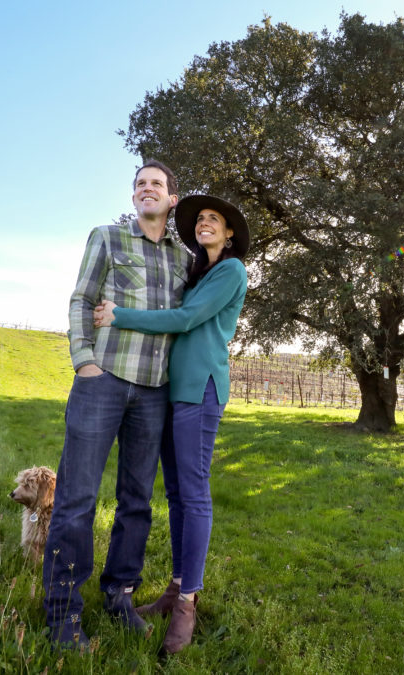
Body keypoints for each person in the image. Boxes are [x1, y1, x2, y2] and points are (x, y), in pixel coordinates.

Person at [43, 159, 193, 647]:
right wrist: (83, 361)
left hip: (153, 390)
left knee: (137, 502)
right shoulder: (107, 237)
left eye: (157, 184)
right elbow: (81, 298)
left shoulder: (183, 258)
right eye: (139, 184)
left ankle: (119, 595)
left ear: (172, 200)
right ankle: (63, 611)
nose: (147, 189)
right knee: (76, 499)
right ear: (134, 198)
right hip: (103, 380)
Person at [93, 194, 249, 653]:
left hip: (200, 390)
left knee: (195, 492)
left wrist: (119, 316)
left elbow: (185, 320)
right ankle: (174, 587)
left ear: (229, 232)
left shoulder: (231, 270)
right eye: (199, 219)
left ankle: (186, 603)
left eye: (213, 220)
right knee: (177, 493)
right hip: (172, 389)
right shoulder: (199, 272)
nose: (204, 224)